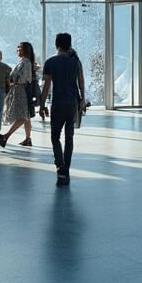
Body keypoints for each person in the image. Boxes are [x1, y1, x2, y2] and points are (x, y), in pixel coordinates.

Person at [39, 33, 85, 187]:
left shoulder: (50, 62)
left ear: (56, 44)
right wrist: (82, 99)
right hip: (72, 103)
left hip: (58, 103)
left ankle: (60, 167)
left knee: (55, 136)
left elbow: (46, 86)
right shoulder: (76, 62)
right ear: (69, 44)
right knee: (69, 137)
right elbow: (81, 82)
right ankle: (66, 169)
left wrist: (42, 105)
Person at [0, 41, 35, 148]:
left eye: (20, 48)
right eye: (18, 48)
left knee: (23, 116)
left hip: (21, 91)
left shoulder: (26, 63)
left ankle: (6, 136)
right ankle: (28, 139)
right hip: (18, 90)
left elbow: (25, 79)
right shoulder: (22, 62)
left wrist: (12, 82)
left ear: (25, 50)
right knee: (26, 115)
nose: (18, 50)